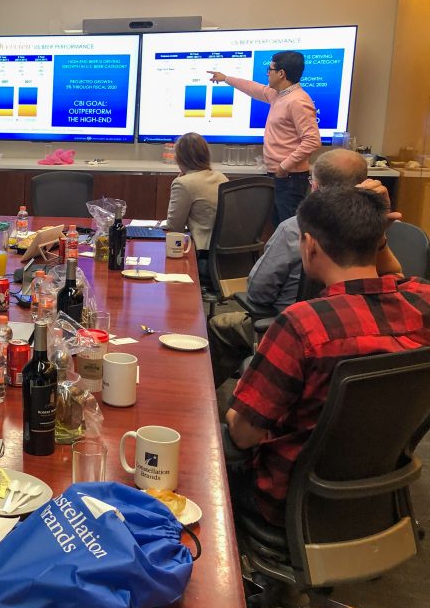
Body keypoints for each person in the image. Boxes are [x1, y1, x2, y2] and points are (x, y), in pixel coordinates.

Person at [223, 187, 430, 526]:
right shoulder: (422, 302)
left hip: (287, 501)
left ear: (310, 245)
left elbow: (244, 435)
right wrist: (377, 238)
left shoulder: (303, 325)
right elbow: (394, 279)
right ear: (377, 243)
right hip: (378, 496)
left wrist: (234, 409)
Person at [207, 148, 401, 387]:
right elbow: (395, 278)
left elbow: (258, 291)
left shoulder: (295, 229)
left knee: (221, 327)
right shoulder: (379, 234)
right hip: (369, 340)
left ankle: (203, 401)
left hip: (295, 332)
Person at [209, 51, 320, 225]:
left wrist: (284, 166)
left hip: (290, 178)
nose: (267, 73)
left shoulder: (297, 101)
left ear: (281, 73)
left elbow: (312, 140)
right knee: (280, 229)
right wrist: (226, 78)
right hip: (279, 175)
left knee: (289, 231)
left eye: (270, 69)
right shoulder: (278, 95)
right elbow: (254, 88)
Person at [163, 132, 228, 270]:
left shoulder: (183, 183)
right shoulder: (221, 177)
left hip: (203, 258)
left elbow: (175, 227)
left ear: (180, 158)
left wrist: (181, 178)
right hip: (227, 258)